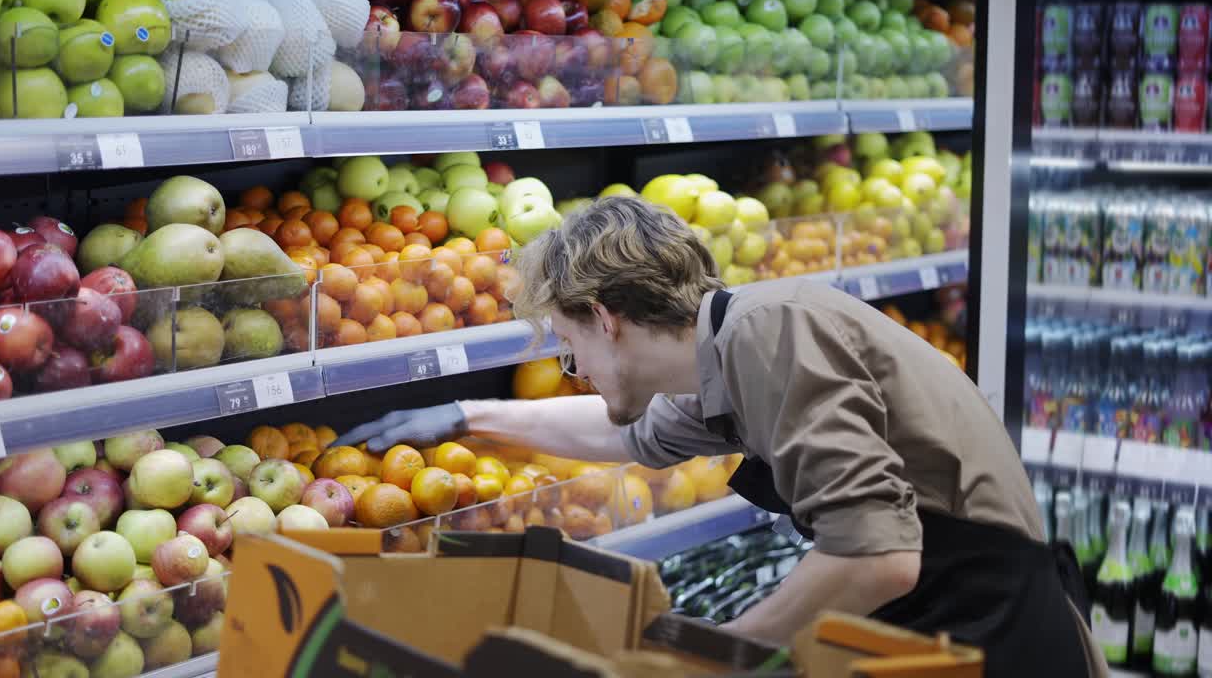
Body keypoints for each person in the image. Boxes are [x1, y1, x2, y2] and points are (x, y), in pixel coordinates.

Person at [340, 196, 1106, 677]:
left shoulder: (773, 337)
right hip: (948, 620)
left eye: (568, 350)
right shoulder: (733, 342)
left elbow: (879, 556)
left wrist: (723, 650)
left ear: (606, 317)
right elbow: (631, 437)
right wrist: (470, 418)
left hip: (991, 631)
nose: (571, 371)